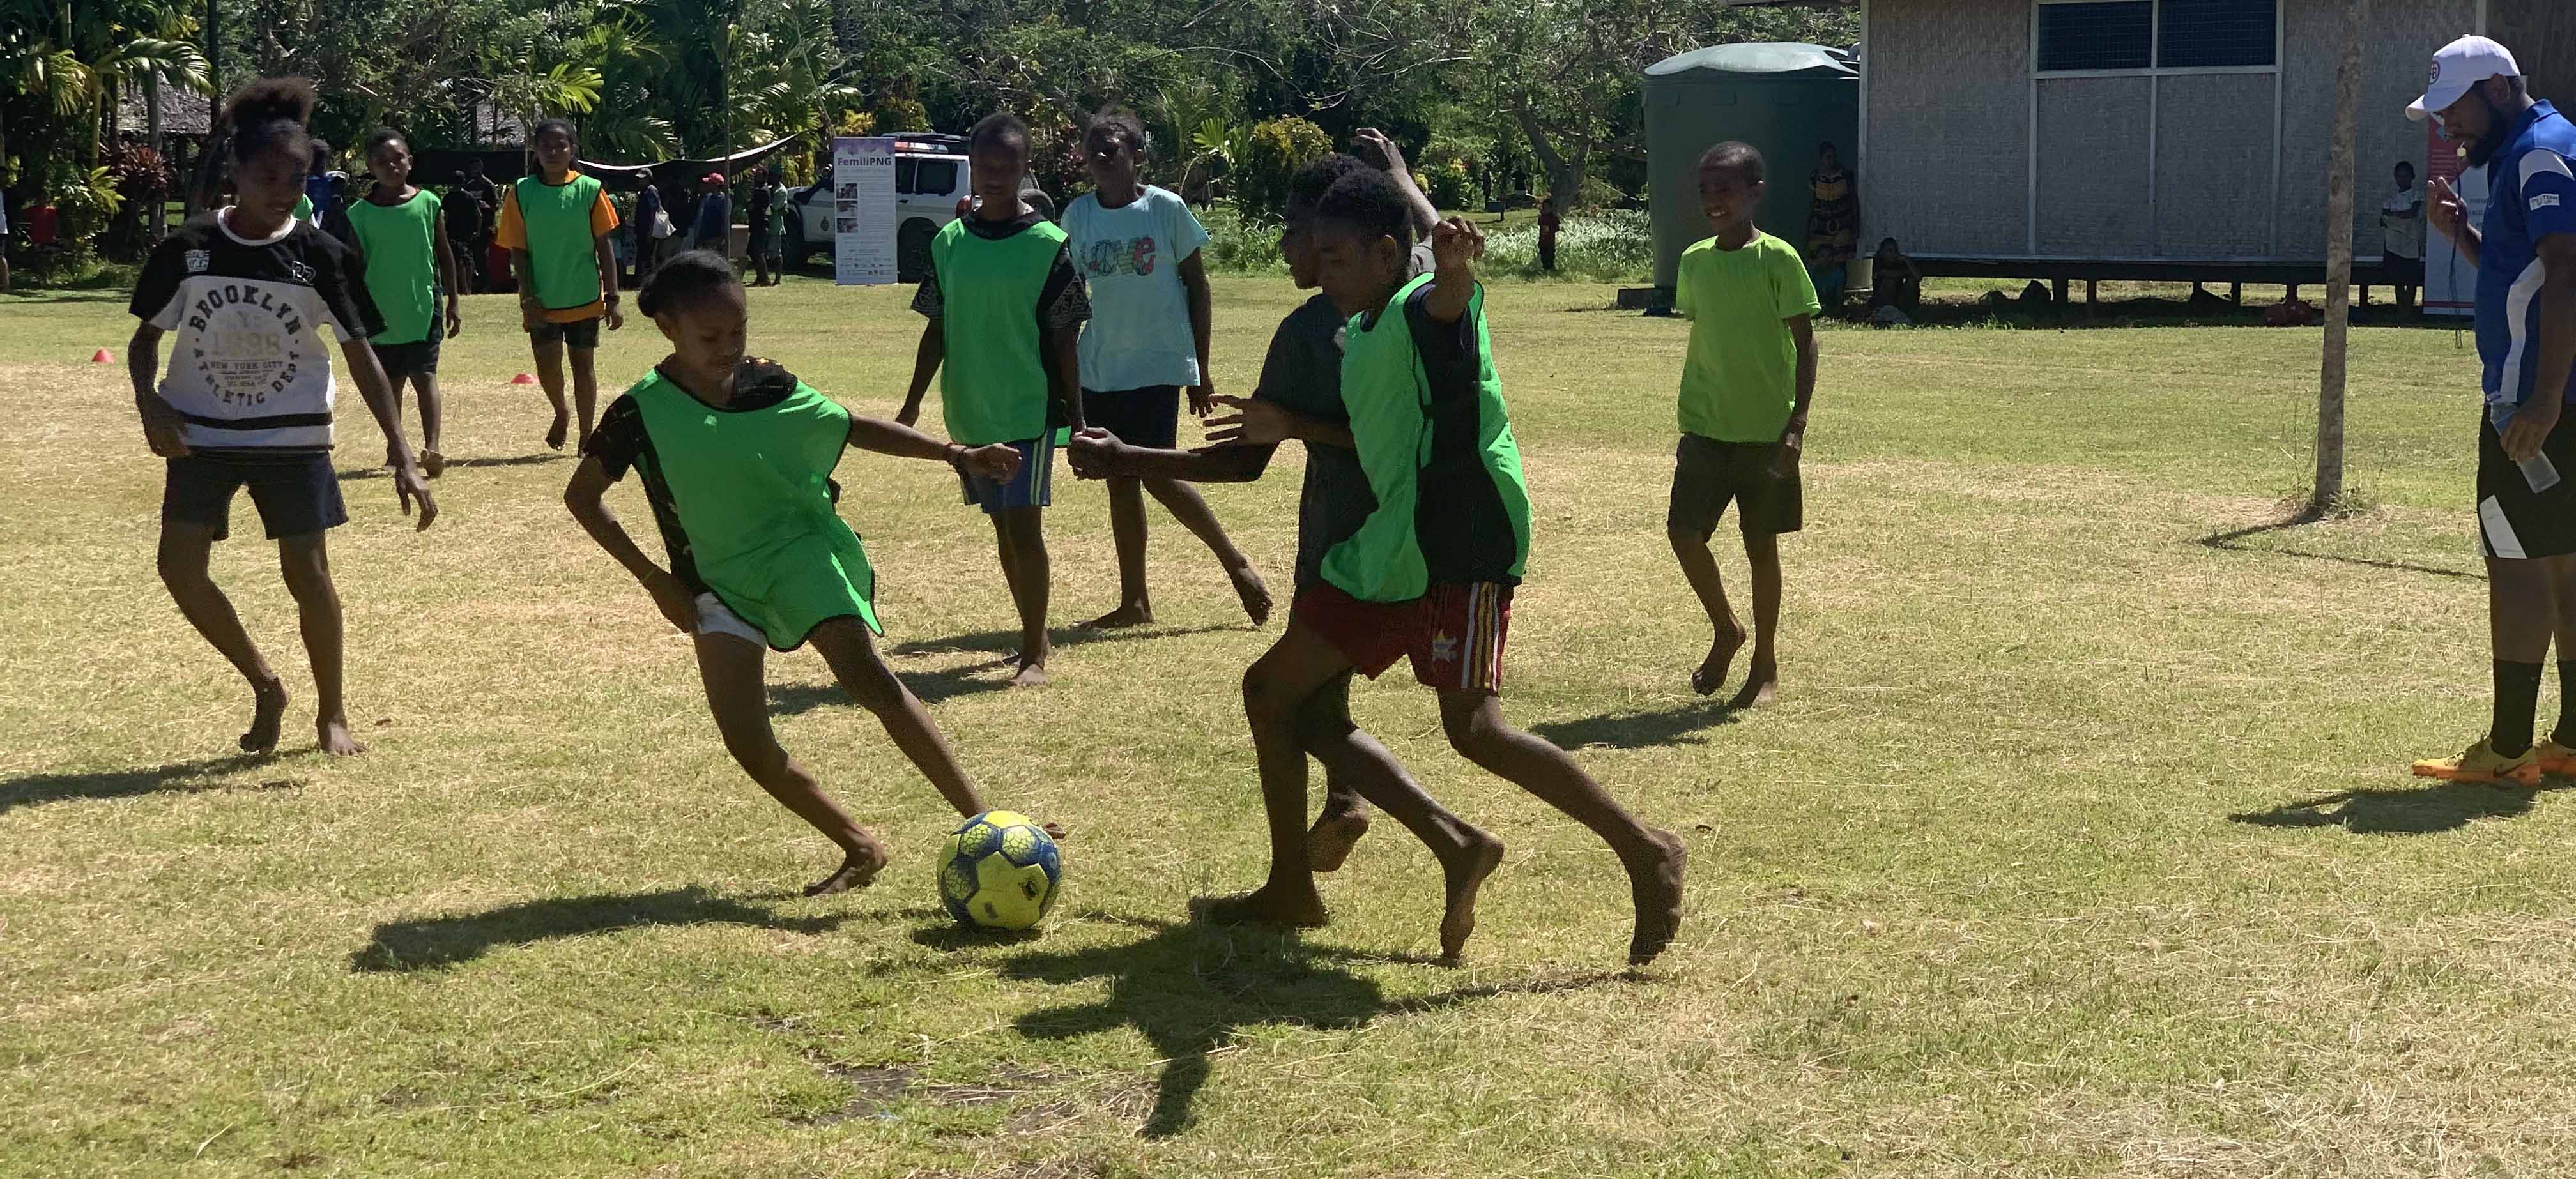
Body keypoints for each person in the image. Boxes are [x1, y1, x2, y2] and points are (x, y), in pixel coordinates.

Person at [1178, 168, 1688, 966]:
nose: (1325, 270)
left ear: (1387, 256)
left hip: (1461, 545)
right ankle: (1301, 885)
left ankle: (1645, 848)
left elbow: (1447, 304)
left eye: (1338, 257)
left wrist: (1454, 271)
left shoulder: (1418, 308)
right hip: (1392, 546)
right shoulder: (1366, 324)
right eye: (1320, 255)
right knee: (1273, 692)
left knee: (1475, 730)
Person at [1068, 152, 1506, 959]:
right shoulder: (1389, 286)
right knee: (1306, 706)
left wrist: (1133, 455)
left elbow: (1267, 456)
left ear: (1352, 241)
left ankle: (1338, 869)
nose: (1286, 249)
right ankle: (1359, 837)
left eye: (1297, 233)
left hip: (1365, 547)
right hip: (1393, 539)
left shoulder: (1323, 324)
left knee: (1297, 702)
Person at [566, 251, 1037, 895]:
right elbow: (582, 498)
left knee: (867, 677)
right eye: (711, 337)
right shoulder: (638, 412)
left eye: (739, 332)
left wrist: (956, 453)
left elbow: (852, 426)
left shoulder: (767, 384)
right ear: (668, 326)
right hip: (713, 583)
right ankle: (859, 846)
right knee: (749, 744)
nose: (730, 348)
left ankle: (987, 826)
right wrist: (656, 580)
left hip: (799, 552)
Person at [125, 77, 438, 759]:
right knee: (179, 567)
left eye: (296, 178)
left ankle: (333, 712)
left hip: (294, 438)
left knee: (309, 574)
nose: (283, 189)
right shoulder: (191, 247)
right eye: (268, 175)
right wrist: (150, 404)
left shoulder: (320, 255)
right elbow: (145, 338)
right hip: (200, 436)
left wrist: (402, 450)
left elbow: (363, 356)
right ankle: (266, 683)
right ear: (234, 171)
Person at [2407, 36, 2576, 786]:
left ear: (2501, 89)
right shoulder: (2544, 147)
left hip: (2535, 409)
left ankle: (2509, 750)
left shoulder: (2538, 154)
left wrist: (2540, 399)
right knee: (2567, 567)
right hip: (2559, 401)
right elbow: (2529, 276)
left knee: (2516, 568)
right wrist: (2463, 237)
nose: (2449, 131)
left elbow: (2568, 273)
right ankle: (2570, 739)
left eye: (2457, 112)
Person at [896, 114, 1089, 688]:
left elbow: (1065, 338)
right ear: (972, 168)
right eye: (987, 165)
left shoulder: (1049, 246)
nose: (997, 175)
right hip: (971, 407)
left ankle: (1035, 649)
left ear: (1026, 168)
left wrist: (1077, 418)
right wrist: (911, 406)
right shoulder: (949, 243)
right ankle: (1032, 631)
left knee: (1024, 530)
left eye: (1009, 165)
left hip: (1027, 408)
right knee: (1002, 527)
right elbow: (936, 328)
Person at [1059, 108, 1269, 630]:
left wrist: (1199, 368)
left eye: (1113, 148)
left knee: (1157, 473)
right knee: (1119, 479)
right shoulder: (1077, 216)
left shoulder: (1166, 209)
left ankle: (1235, 562)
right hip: (1100, 367)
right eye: (1094, 149)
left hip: (1156, 366)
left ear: (1137, 155)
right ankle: (1135, 603)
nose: (1103, 157)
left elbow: (1198, 286)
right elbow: (1066, 297)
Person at [1669, 142, 1821, 708]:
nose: (1714, 200)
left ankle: (1764, 664)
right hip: (1706, 425)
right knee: (1684, 534)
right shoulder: (1694, 261)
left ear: (1755, 192)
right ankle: (1726, 630)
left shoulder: (1778, 259)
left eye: (1726, 189)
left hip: (1765, 433)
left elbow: (1806, 344)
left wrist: (1796, 426)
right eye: (1706, 189)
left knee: (1761, 547)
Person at [495, 118, 624, 452]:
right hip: (542, 301)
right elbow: (518, 251)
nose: (553, 152)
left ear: (572, 150)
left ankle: (586, 434)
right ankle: (561, 412)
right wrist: (528, 296)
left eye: (560, 145)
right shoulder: (522, 192)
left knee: (584, 366)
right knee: (547, 366)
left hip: (583, 296)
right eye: (546, 146)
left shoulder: (590, 189)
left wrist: (613, 296)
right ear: (535, 151)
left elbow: (604, 245)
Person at [346, 129, 463, 477]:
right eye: (382, 162)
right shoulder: (360, 213)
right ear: (371, 168)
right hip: (379, 313)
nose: (392, 166)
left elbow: (444, 254)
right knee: (390, 382)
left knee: (424, 376)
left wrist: (454, 301)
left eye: (398, 158)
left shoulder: (429, 203)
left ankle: (433, 447)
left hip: (421, 307)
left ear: (410, 161)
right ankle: (396, 445)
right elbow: (354, 266)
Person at [1804, 142, 1857, 315]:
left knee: (1840, 259)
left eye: (1834, 156)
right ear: (1821, 159)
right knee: (1816, 258)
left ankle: (1838, 303)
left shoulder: (1845, 175)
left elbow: (1852, 199)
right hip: (1820, 223)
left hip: (1841, 221)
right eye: (1828, 157)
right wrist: (1809, 224)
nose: (1832, 160)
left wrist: (1856, 223)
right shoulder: (1815, 176)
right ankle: (1815, 302)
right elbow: (1813, 201)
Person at [2382, 160, 2426, 314]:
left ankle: (2409, 308)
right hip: (2394, 244)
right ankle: (2401, 309)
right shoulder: (2390, 198)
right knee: (2398, 279)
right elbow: (2383, 218)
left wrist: (2395, 218)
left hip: (2411, 242)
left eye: (2406, 176)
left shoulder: (2417, 194)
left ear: (2412, 177)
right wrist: (2400, 218)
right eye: (2400, 176)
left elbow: (2412, 213)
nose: (2403, 179)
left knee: (2412, 279)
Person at [443, 169, 488, 294]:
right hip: (467, 234)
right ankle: (468, 288)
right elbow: (479, 215)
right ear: (463, 182)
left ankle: (462, 288)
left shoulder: (448, 197)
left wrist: (444, 232)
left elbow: (445, 217)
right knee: (468, 261)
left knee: (458, 261)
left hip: (453, 234)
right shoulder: (469, 197)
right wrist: (478, 231)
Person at [1868, 236, 1922, 319]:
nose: (1893, 253)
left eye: (1895, 250)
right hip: (1882, 299)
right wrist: (1905, 272)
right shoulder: (1878, 261)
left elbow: (1918, 277)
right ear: (1882, 252)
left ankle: (1910, 311)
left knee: (1912, 282)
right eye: (1890, 251)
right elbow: (1887, 274)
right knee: (1890, 282)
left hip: (1899, 297)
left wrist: (1906, 260)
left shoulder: (1899, 262)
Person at [634, 177, 670, 287]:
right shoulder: (644, 191)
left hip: (648, 230)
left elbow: (654, 212)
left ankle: (649, 282)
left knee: (648, 257)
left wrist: (651, 231)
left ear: (648, 179)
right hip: (642, 230)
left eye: (642, 179)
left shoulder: (651, 191)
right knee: (643, 256)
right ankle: (642, 281)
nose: (639, 181)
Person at [744, 167, 777, 286]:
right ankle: (760, 278)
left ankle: (765, 279)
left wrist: (748, 205)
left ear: (764, 177)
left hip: (760, 224)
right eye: (755, 176)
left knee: (757, 251)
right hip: (756, 224)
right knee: (753, 252)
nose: (755, 178)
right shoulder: (760, 189)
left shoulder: (762, 191)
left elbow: (751, 207)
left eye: (758, 176)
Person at [693, 172, 732, 257]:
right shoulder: (707, 197)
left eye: (709, 183)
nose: (707, 185)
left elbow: (725, 219)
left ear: (714, 185)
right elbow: (700, 216)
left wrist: (723, 237)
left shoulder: (724, 200)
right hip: (703, 235)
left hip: (715, 235)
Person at [762, 169, 789, 283]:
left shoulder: (782, 191)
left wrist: (760, 209)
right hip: (766, 224)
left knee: (777, 254)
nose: (771, 178)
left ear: (779, 177)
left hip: (775, 225)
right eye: (770, 175)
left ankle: (778, 279)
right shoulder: (770, 188)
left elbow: (773, 208)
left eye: (773, 176)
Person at [1537, 197, 1561, 273]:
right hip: (1543, 241)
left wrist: (1550, 230)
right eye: (1543, 207)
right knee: (1543, 257)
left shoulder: (1553, 218)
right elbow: (1541, 229)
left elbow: (1557, 228)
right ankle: (1545, 270)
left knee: (1550, 258)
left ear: (1550, 208)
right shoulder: (1542, 218)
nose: (1545, 209)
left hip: (1550, 242)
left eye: (1547, 207)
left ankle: (1551, 271)